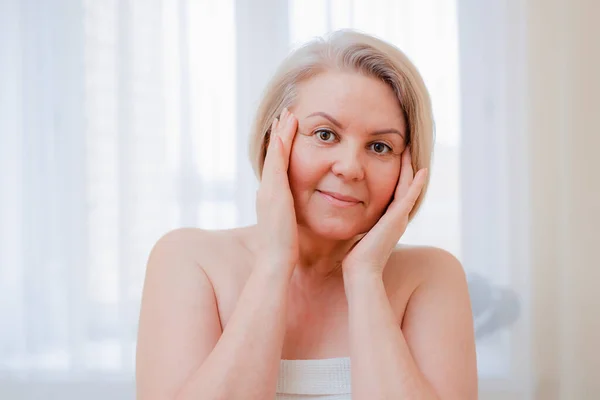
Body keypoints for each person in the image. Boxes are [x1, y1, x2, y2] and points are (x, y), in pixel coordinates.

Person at [135, 30, 477, 400]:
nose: (350, 168)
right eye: (325, 134)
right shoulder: (188, 260)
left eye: (380, 146)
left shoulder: (430, 278)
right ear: (274, 141)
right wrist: (273, 262)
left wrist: (365, 277)